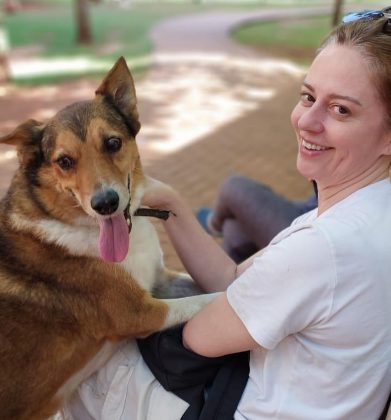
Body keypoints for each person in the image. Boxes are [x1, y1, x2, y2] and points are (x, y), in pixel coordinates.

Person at [65, 8, 391, 419]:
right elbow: (233, 282)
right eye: (308, 97)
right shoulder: (370, 207)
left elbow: (199, 338)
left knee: (79, 358)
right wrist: (170, 204)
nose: (308, 121)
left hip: (237, 408)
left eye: (341, 110)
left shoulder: (324, 248)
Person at [196, 176, 318, 262]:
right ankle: (228, 288)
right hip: (309, 215)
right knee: (233, 229)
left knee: (233, 186)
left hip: (312, 239)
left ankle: (214, 223)